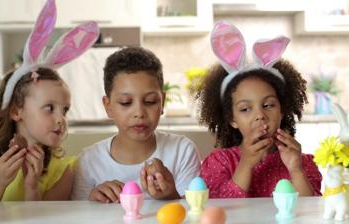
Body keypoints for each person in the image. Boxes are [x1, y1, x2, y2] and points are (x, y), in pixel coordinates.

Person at [0, 0, 99, 201]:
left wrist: (32, 186)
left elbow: (43, 219)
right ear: (16, 111)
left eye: (64, 110)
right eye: (49, 108)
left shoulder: (64, 171)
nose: (61, 119)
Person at [198, 21, 322, 198]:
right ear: (232, 119)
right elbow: (220, 209)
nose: (259, 116)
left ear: (282, 110)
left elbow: (311, 211)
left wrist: (296, 170)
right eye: (245, 109)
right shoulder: (219, 162)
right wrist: (246, 164)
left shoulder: (303, 162)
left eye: (268, 105)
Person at [71, 47, 201, 202]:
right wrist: (92, 201)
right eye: (126, 103)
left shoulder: (182, 151)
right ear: (108, 106)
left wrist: (171, 196)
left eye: (150, 101)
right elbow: (77, 215)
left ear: (162, 102)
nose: (139, 112)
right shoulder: (88, 161)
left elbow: (194, 213)